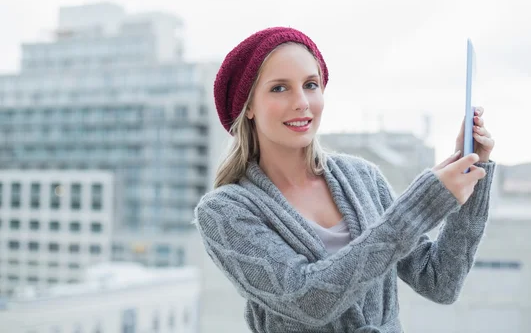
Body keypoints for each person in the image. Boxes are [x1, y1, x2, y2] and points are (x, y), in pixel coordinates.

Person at [193, 27, 496, 333]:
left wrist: (473, 173)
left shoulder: (363, 178)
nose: (302, 102)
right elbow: (309, 301)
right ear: (248, 108)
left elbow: (439, 282)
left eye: (311, 85)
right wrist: (421, 204)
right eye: (279, 88)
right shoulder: (223, 212)